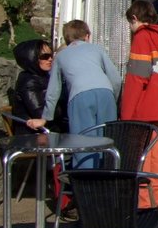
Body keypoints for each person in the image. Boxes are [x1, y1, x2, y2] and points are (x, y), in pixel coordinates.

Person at [27, 20, 121, 169]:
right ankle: (108, 181)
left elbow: (53, 90)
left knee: (83, 143)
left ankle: (85, 184)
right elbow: (116, 79)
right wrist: (113, 100)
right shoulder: (97, 49)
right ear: (87, 36)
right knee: (108, 140)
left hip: (79, 96)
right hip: (105, 93)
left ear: (66, 39)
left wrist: (45, 118)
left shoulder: (62, 56)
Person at [120, 0, 158, 208]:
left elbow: (137, 79)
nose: (130, 28)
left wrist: (126, 115)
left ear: (135, 18)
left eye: (130, 23)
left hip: (143, 110)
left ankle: (144, 204)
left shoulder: (142, 38)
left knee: (143, 159)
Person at [11, 39, 66, 134]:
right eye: (45, 56)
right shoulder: (29, 82)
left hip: (49, 130)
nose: (50, 59)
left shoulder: (43, 76)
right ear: (32, 58)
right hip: (34, 136)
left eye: (51, 55)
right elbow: (40, 113)